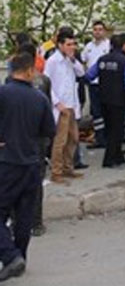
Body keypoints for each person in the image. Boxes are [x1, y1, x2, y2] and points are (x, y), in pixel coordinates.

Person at [0, 53, 56, 282]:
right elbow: (49, 131)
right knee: (24, 216)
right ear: (29, 71)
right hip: (32, 163)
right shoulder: (39, 97)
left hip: (7, 162)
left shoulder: (3, 94)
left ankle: (11, 256)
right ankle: (19, 256)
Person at [14, 43, 53, 237]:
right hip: (37, 139)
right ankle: (36, 222)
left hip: (17, 140)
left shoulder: (9, 83)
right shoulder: (43, 81)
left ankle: (17, 219)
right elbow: (48, 117)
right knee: (36, 181)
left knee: (16, 180)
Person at [86, 34, 125, 168]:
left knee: (110, 130)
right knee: (117, 131)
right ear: (123, 46)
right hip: (119, 100)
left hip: (104, 99)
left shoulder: (102, 60)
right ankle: (109, 160)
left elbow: (90, 75)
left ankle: (119, 157)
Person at [44, 30, 85, 184]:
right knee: (60, 141)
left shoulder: (70, 60)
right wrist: (56, 102)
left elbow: (81, 73)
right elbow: (47, 83)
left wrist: (73, 59)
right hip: (61, 106)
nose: (71, 47)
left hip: (72, 104)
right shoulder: (53, 61)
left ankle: (68, 168)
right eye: (68, 44)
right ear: (60, 45)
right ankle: (56, 171)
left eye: (73, 44)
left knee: (73, 138)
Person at [81, 21, 110, 149]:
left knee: (107, 110)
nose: (97, 32)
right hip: (93, 83)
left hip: (105, 83)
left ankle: (108, 137)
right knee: (96, 112)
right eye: (95, 29)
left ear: (104, 31)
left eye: (100, 29)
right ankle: (99, 137)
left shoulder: (108, 45)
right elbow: (83, 60)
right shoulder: (88, 46)